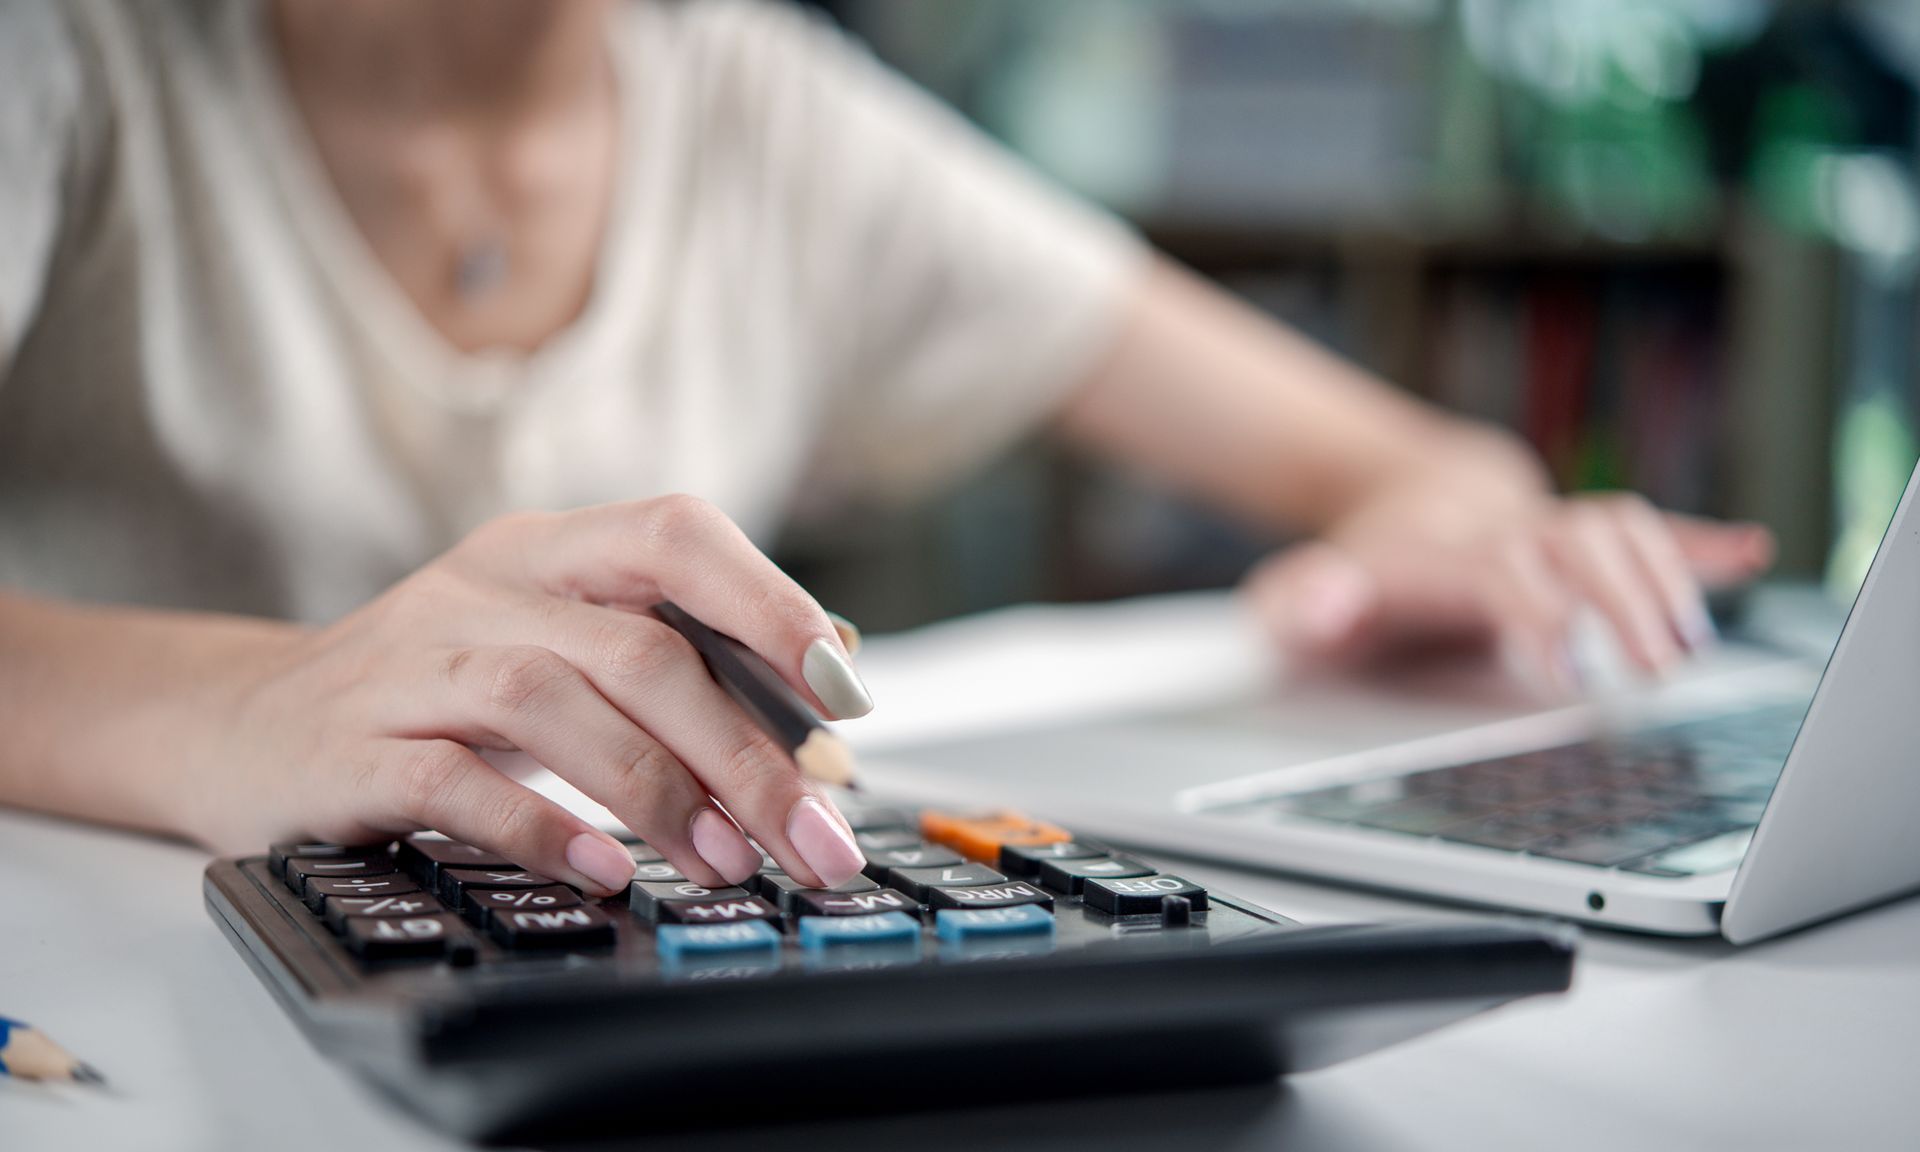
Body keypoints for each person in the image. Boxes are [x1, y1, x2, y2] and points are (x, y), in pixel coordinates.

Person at [0, 0, 1774, 898]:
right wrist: (257, 702)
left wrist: (1432, 529)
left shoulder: (762, 107)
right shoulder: (73, 62)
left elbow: (1420, 467)